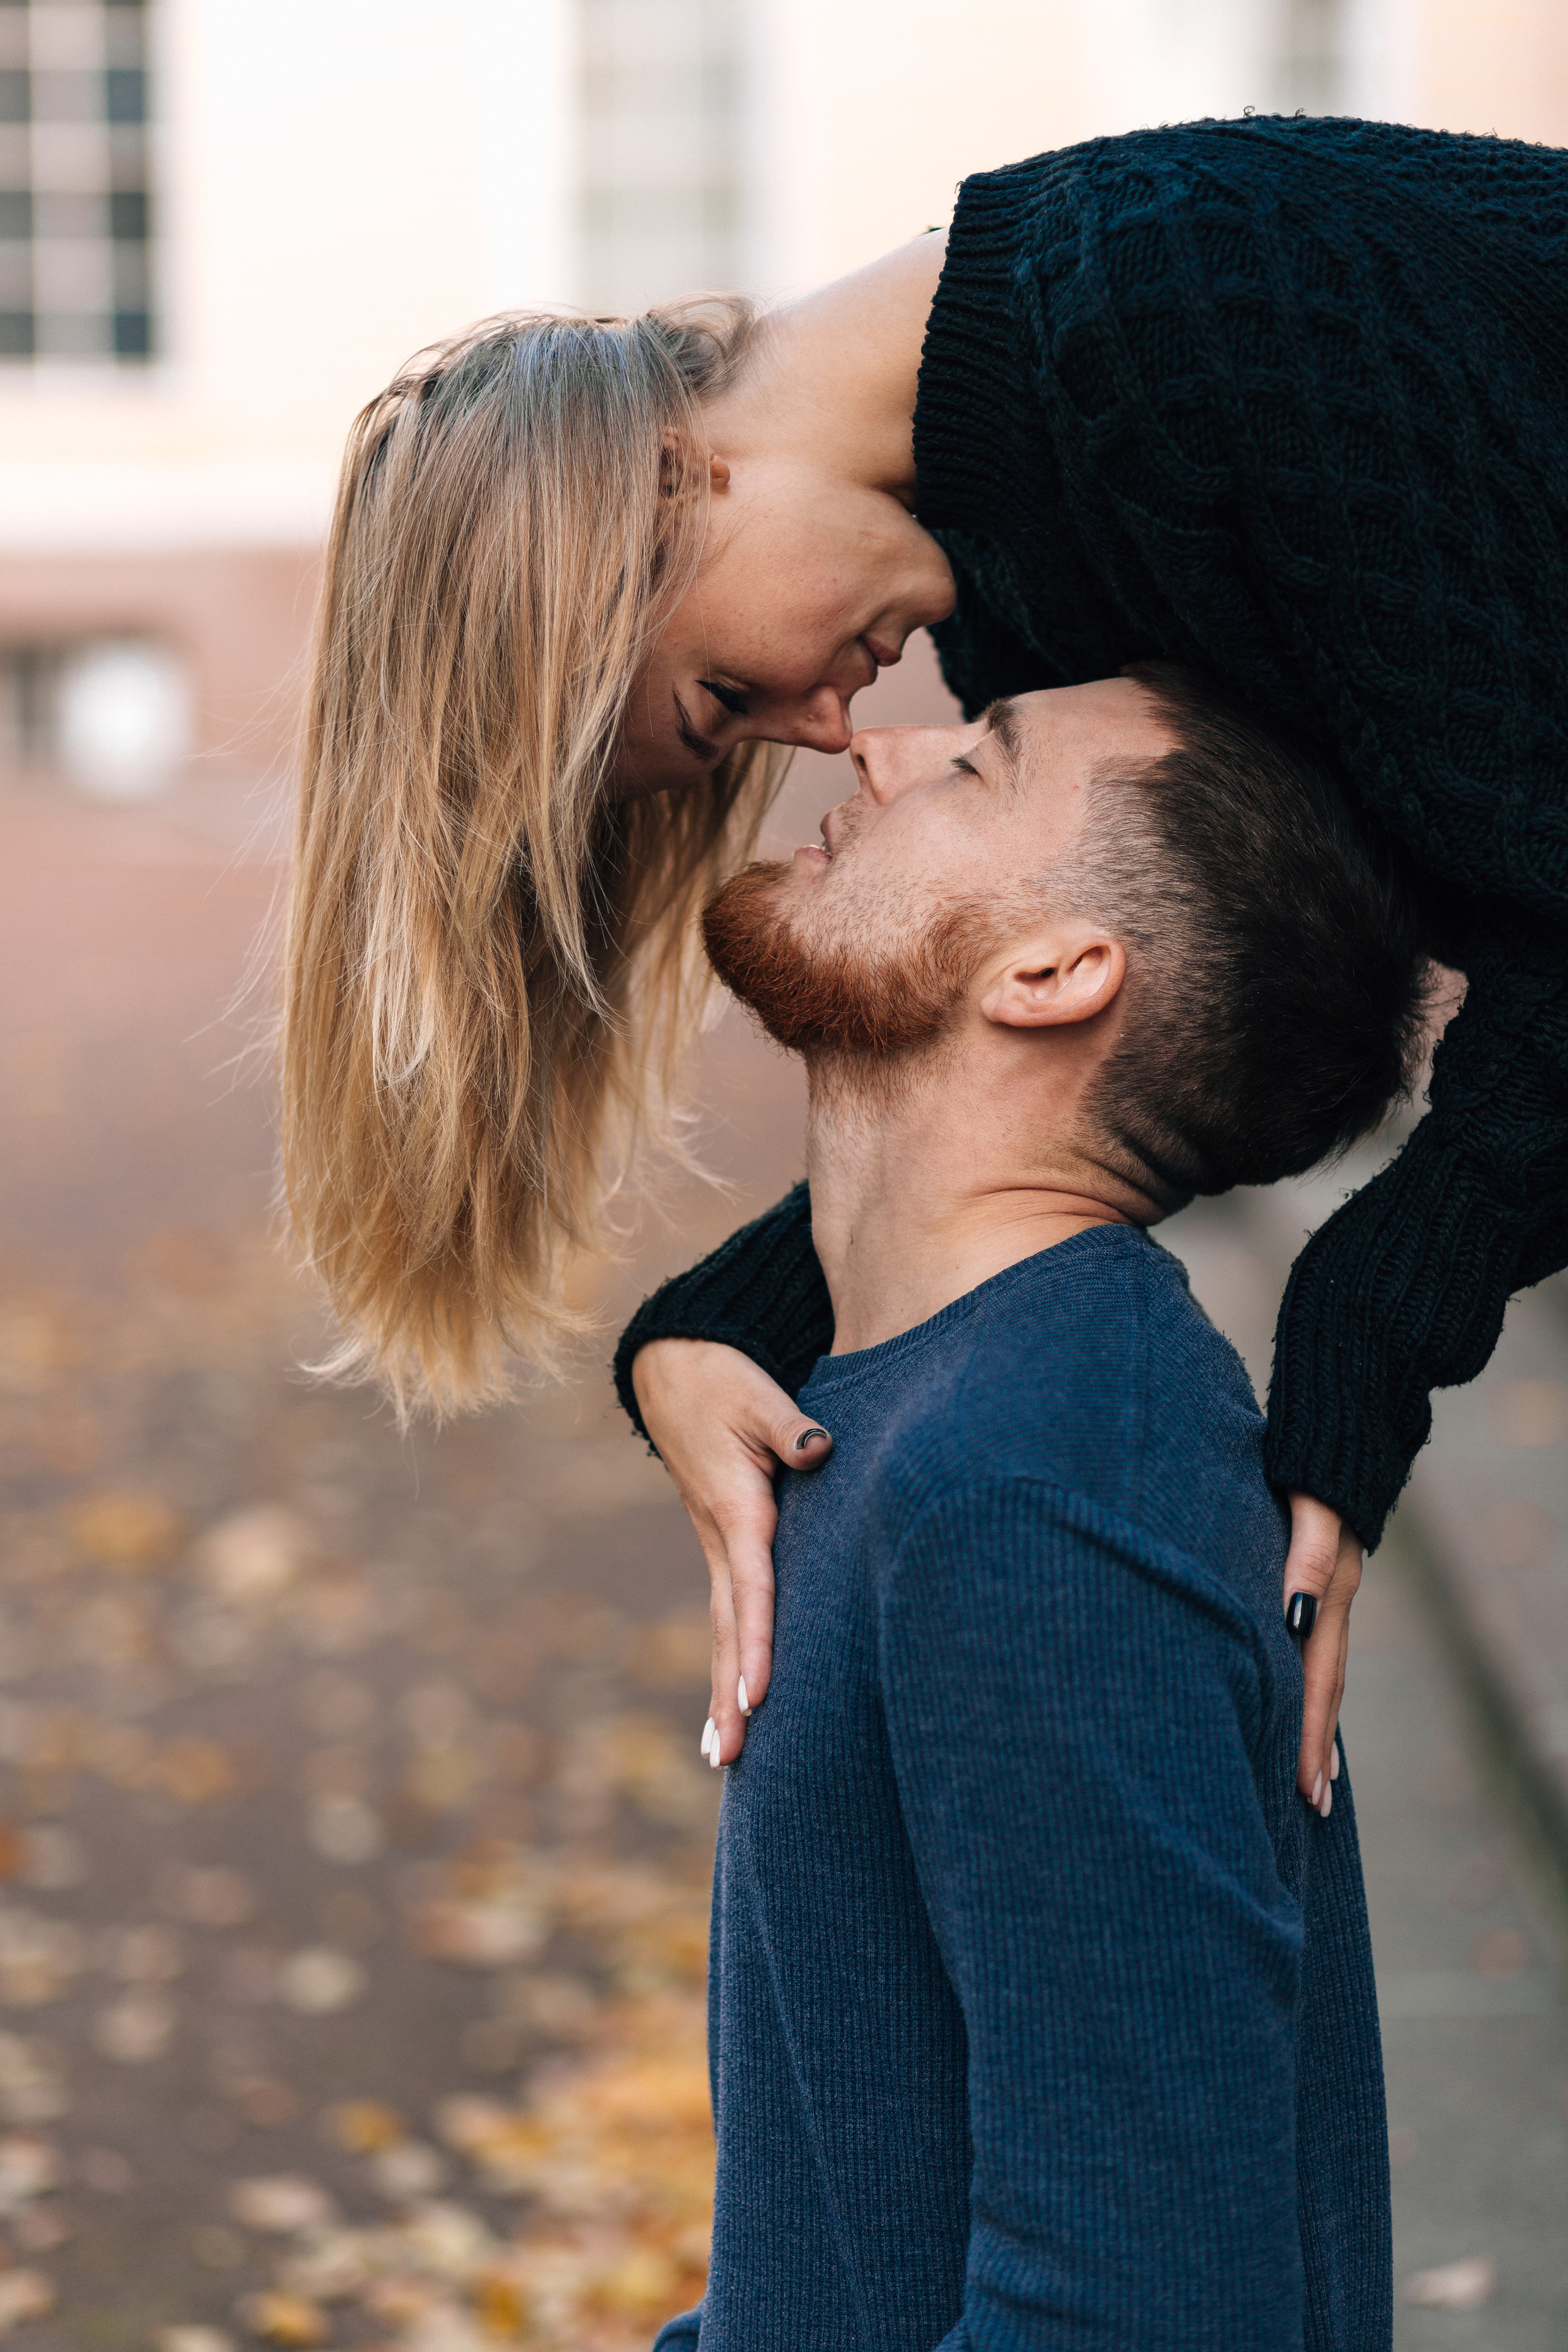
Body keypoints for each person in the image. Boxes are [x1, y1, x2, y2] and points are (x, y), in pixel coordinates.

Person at [279, 115, 1568, 1830]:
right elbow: (1130, 1043)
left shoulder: (1176, 301)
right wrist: (723, 1325)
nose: (832, 731)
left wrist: (1363, 1325)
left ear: (673, 483)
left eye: (723, 699)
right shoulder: (1024, 541)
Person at [652, 662, 1418, 2352]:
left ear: (1056, 972)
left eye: (981, 763)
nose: (885, 740)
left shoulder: (1042, 1481)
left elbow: (1140, 2311)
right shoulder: (962, 1409)